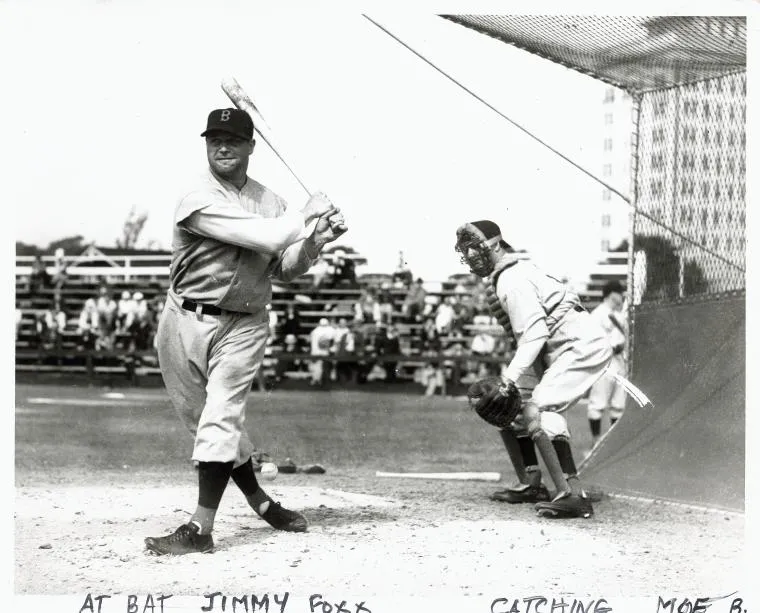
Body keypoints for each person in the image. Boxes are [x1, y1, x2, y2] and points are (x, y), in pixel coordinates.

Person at [145, 107, 346, 556]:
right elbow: (268, 238)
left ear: (251, 147)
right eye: (214, 139)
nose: (222, 146)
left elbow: (284, 267)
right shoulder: (196, 196)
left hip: (244, 323)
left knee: (220, 417)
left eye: (233, 140)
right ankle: (262, 502)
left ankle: (200, 528)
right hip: (182, 320)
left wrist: (315, 240)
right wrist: (306, 216)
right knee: (207, 424)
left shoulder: (271, 203)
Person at [455, 219, 611, 519]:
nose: (471, 256)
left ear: (496, 245)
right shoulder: (507, 277)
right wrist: (515, 385)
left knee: (536, 410)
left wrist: (508, 379)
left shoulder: (513, 279)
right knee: (512, 409)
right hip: (557, 347)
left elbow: (536, 333)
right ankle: (530, 483)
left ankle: (573, 494)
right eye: (467, 251)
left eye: (474, 248)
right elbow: (537, 338)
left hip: (578, 344)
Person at [586, 280, 627, 447]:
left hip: (619, 362)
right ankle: (596, 441)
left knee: (619, 404)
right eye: (619, 293)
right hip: (603, 363)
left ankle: (613, 443)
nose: (622, 296)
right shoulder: (596, 314)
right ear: (611, 294)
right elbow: (591, 341)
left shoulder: (619, 315)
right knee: (598, 403)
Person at [309, 317, 335, 387]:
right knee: (317, 366)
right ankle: (317, 380)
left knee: (320, 366)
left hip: (321, 352)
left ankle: (318, 380)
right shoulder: (329, 330)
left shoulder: (315, 331)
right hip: (320, 352)